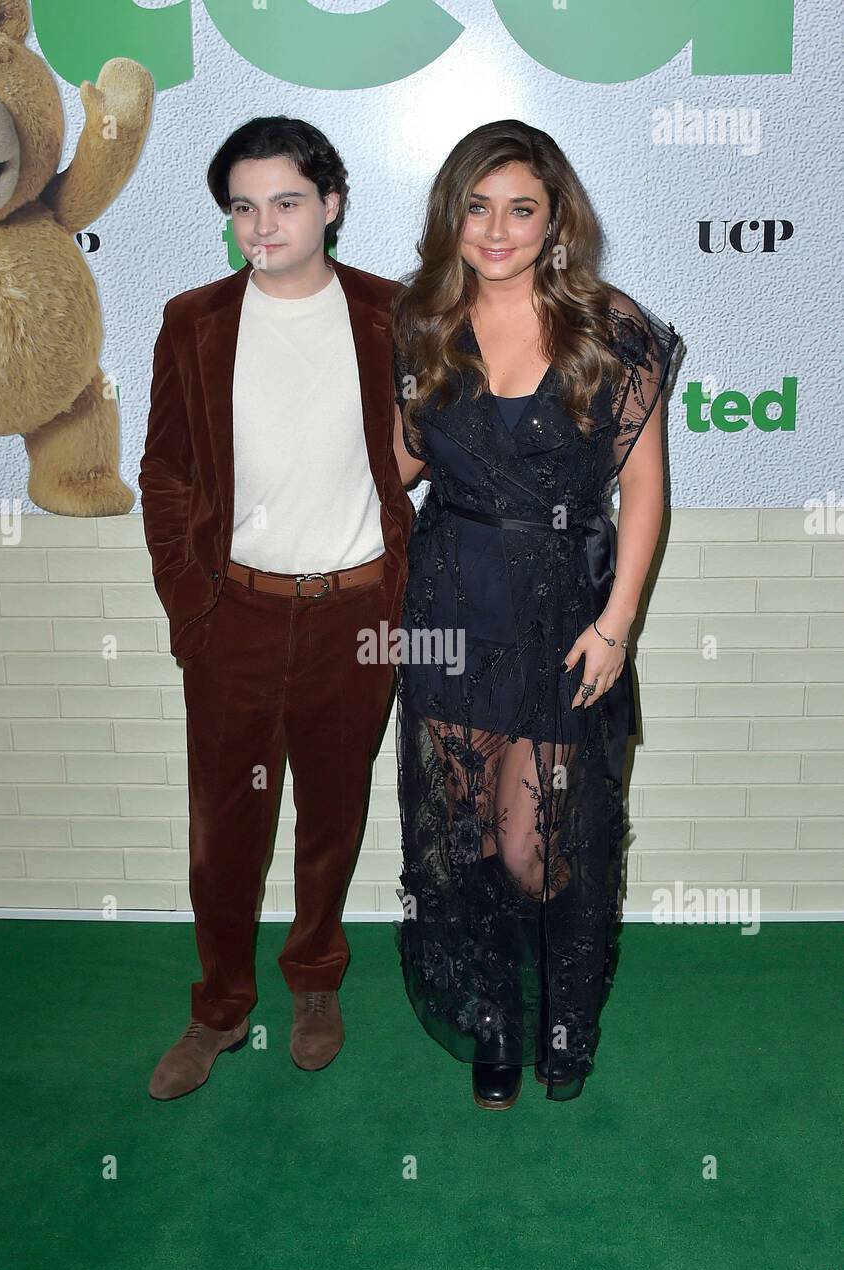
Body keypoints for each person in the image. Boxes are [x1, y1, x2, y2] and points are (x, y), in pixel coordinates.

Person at [390, 119, 680, 1109]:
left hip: (563, 608)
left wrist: (617, 623)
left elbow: (640, 490)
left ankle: (560, 1013)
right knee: (467, 834)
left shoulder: (609, 325)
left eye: (519, 206)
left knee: (537, 841)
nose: (496, 228)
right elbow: (400, 467)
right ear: (451, 216)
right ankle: (497, 1024)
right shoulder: (423, 321)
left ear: (555, 216)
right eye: (476, 206)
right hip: (450, 597)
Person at [139, 117, 413, 1101]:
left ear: (330, 204)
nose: (263, 224)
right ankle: (217, 1006)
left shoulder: (392, 313)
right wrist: (188, 603)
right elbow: (165, 470)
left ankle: (314, 982)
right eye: (242, 207)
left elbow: (435, 440)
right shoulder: (194, 320)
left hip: (358, 614)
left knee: (332, 814)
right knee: (226, 827)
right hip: (235, 617)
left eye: (285, 202)